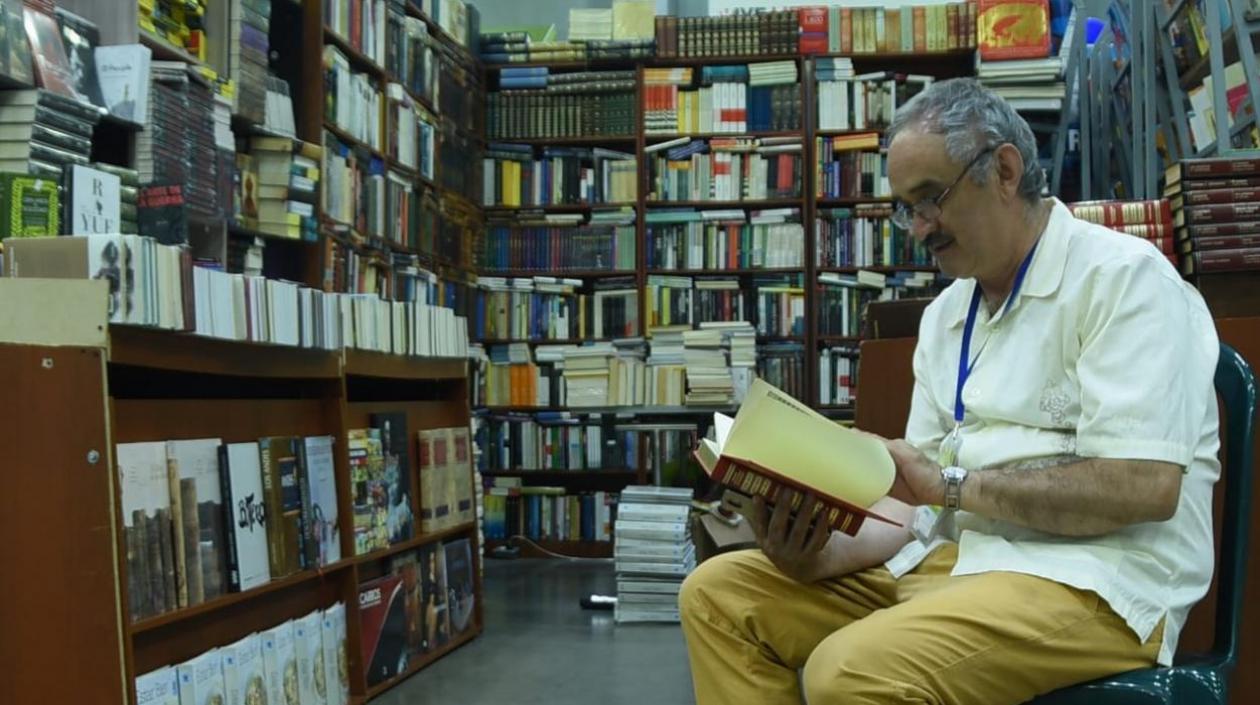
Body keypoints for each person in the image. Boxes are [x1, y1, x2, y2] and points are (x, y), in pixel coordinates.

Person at [678, 77, 1221, 705]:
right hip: (956, 564)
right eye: (906, 208)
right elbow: (918, 512)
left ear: (1006, 171)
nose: (919, 227)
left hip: (1094, 581)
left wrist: (950, 485)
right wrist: (813, 553)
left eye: (931, 198)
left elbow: (1144, 485)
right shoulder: (946, 317)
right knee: (718, 597)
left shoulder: (1124, 280)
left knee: (849, 671)